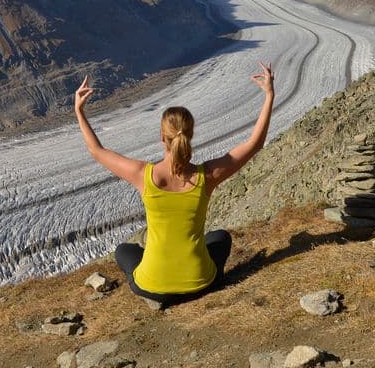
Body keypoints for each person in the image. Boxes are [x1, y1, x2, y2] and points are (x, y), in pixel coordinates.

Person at [74, 61, 275, 308]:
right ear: (190, 136)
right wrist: (269, 95)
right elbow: (254, 145)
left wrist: (79, 111)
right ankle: (196, 278)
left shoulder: (143, 175)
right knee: (220, 237)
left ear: (162, 137)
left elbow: (96, 151)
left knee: (124, 251)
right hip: (201, 283)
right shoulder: (207, 176)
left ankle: (158, 284)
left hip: (153, 287)